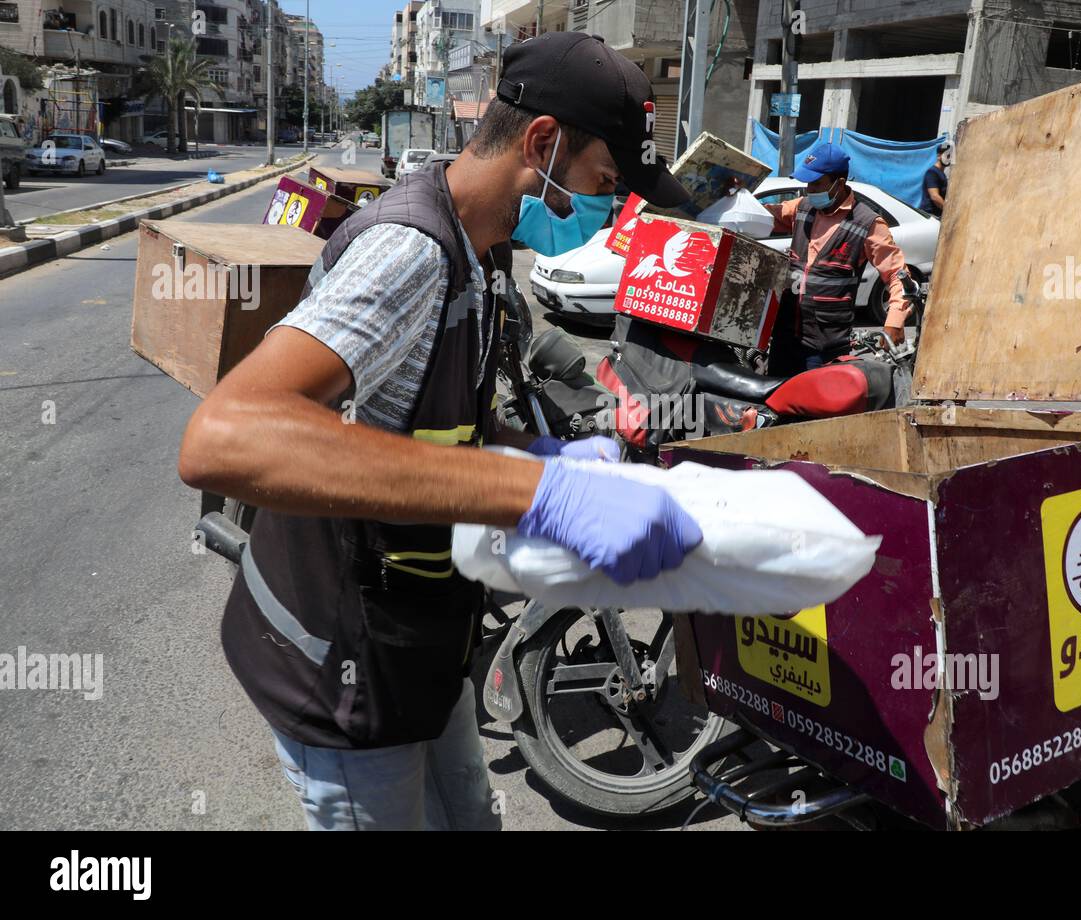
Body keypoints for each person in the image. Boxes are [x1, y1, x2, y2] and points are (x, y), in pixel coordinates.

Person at [178, 32, 701, 831]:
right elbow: (222, 438)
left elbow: (434, 417)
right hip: (344, 673)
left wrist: (546, 453)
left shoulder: (479, 252)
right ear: (543, 143)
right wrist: (533, 489)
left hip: (420, 647)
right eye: (605, 181)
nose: (611, 208)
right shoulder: (411, 253)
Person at [763, 142, 913, 374]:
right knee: (774, 402)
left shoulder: (867, 223)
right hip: (785, 335)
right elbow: (761, 216)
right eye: (808, 184)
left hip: (825, 345)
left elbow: (897, 276)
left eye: (816, 184)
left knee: (814, 407)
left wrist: (894, 321)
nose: (809, 190)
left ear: (839, 183)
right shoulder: (801, 208)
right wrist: (733, 192)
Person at [921, 141, 951, 217]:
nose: (949, 158)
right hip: (931, 216)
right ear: (938, 156)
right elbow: (935, 197)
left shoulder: (941, 174)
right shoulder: (932, 172)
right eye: (947, 155)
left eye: (950, 156)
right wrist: (949, 211)